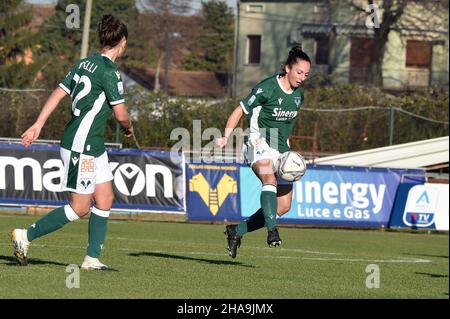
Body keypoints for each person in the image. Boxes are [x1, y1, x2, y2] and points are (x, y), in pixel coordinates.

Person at [9, 14, 133, 270]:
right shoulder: (110, 72)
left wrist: (38, 124)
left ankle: (91, 259)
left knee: (106, 198)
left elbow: (58, 93)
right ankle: (25, 235)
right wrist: (129, 127)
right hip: (82, 146)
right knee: (80, 208)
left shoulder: (84, 63)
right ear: (122, 41)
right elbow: (121, 115)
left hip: (94, 146)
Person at [217, 45, 311, 258]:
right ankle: (272, 230)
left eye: (306, 74)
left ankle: (236, 231)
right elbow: (239, 110)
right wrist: (226, 135)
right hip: (258, 144)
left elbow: (285, 127)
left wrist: (288, 152)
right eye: (299, 72)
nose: (302, 77)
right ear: (287, 68)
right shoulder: (266, 88)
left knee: (284, 206)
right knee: (269, 179)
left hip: (281, 149)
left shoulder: (299, 97)